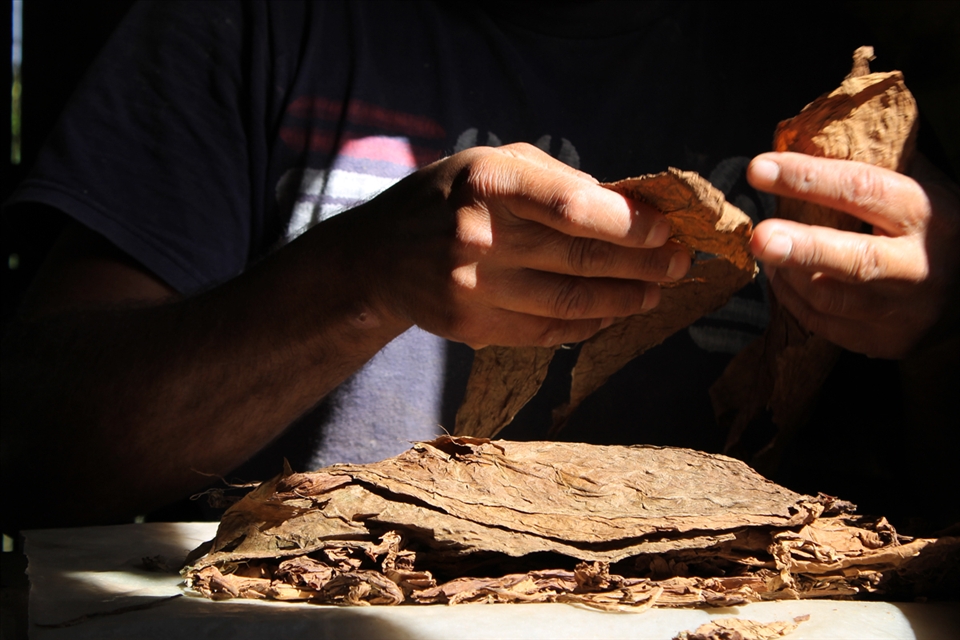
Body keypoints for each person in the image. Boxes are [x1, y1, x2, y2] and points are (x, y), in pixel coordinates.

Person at [2, 1, 957, 532]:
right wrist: (358, 279)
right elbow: (34, 456)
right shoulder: (244, 25)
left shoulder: (851, 73)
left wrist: (946, 323)